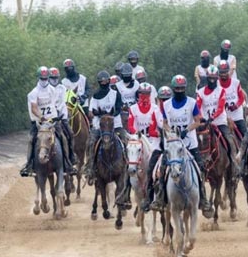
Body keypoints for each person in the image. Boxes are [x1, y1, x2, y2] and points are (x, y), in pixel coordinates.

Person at [157, 75, 212, 212]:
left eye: (182, 88)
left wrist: (186, 130)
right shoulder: (166, 104)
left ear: (185, 88)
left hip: (190, 143)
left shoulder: (192, 103)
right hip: (173, 145)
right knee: (162, 169)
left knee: (201, 168)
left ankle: (203, 198)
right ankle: (160, 197)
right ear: (173, 89)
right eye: (177, 88)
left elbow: (198, 121)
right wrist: (171, 133)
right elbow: (164, 123)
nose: (180, 90)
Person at [84, 70, 127, 182]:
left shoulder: (116, 94)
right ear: (99, 82)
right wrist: (97, 114)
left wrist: (110, 114)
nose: (104, 83)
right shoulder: (95, 96)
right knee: (91, 142)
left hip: (115, 124)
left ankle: (128, 166)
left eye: (106, 81)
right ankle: (90, 168)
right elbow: (91, 112)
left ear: (109, 81)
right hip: (100, 126)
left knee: (126, 140)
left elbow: (118, 108)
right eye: (101, 81)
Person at [196, 65, 240, 174]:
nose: (212, 80)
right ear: (207, 78)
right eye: (210, 78)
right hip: (205, 124)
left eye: (214, 78)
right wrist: (201, 118)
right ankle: (196, 165)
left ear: (217, 78)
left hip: (219, 122)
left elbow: (220, 108)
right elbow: (198, 106)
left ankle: (234, 164)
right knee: (195, 141)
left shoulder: (221, 91)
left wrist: (212, 117)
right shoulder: (200, 92)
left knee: (230, 140)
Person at [128, 82, 163, 211]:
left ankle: (158, 189)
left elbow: (156, 126)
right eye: (142, 94)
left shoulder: (155, 108)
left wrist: (157, 132)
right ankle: (125, 193)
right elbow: (131, 124)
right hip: (137, 139)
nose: (144, 96)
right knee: (130, 162)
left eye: (147, 94)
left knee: (158, 160)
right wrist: (136, 134)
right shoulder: (133, 109)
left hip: (152, 141)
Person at [20, 67, 60, 177]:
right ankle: (29, 164)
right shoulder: (34, 92)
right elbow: (34, 108)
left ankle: (69, 161)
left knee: (65, 137)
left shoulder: (53, 90)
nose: (44, 80)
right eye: (42, 78)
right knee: (31, 140)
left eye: (46, 78)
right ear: (38, 78)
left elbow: (55, 104)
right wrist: (42, 118)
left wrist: (56, 116)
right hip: (38, 123)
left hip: (52, 121)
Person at [48, 67, 78, 174]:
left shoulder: (62, 88)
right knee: (34, 137)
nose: (54, 79)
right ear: (48, 78)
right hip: (48, 118)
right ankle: (31, 162)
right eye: (52, 77)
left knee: (69, 134)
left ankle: (70, 159)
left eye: (56, 77)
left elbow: (64, 102)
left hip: (62, 117)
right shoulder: (45, 89)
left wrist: (61, 115)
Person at [217, 61, 248, 141]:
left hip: (237, 115)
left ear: (228, 71)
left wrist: (236, 106)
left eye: (225, 72)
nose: (223, 74)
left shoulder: (236, 83)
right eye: (221, 72)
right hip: (224, 117)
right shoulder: (216, 85)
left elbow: (241, 98)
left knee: (245, 135)